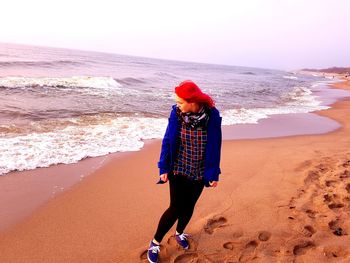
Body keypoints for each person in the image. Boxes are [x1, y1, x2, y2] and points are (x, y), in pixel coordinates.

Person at [147, 80, 222, 263]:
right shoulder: (176, 113)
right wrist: (163, 167)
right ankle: (155, 242)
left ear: (192, 101)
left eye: (181, 102)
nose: (177, 105)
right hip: (179, 167)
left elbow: (215, 145)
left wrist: (213, 173)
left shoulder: (212, 116)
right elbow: (168, 140)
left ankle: (179, 233)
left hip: (199, 170)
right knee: (175, 207)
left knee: (189, 206)